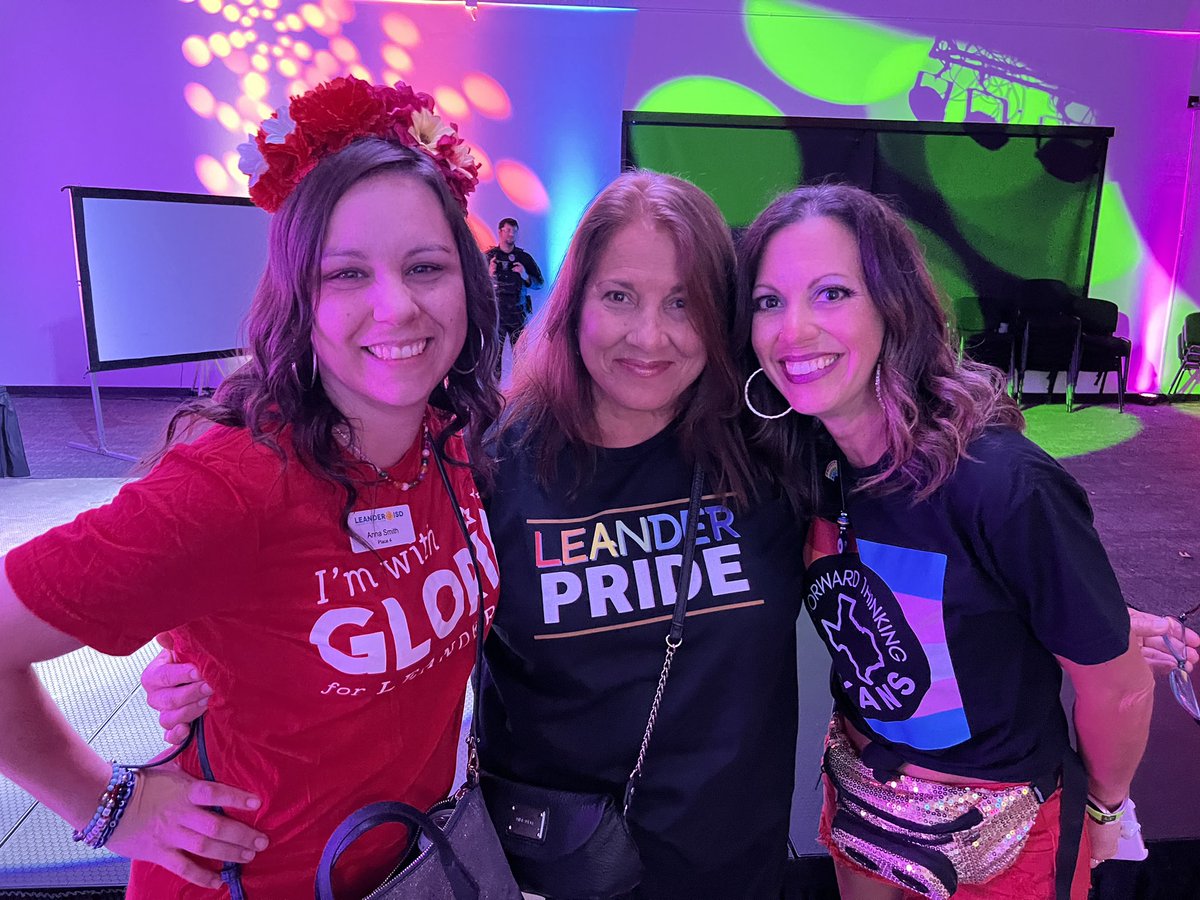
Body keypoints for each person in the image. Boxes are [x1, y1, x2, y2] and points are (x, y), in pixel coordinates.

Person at [0, 75, 501, 899]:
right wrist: (107, 806)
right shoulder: (235, 485)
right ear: (298, 297)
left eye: (425, 266)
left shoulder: (448, 444)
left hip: (409, 867)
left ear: (467, 285)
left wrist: (203, 664)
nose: (397, 305)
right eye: (346, 274)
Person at [734, 183, 1157, 900]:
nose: (792, 330)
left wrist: (1106, 810)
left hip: (1003, 834)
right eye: (768, 301)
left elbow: (1118, 690)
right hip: (862, 800)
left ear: (893, 305)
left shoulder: (1002, 482)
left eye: (832, 293)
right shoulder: (805, 463)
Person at [486, 216, 544, 368]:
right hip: (496, 315)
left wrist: (525, 275)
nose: (511, 234)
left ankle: (522, 384)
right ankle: (493, 384)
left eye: (514, 231)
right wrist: (489, 274)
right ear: (500, 232)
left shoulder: (524, 258)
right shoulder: (489, 257)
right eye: (508, 230)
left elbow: (540, 283)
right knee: (494, 361)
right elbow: (475, 285)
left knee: (521, 361)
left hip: (518, 315)